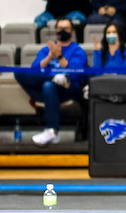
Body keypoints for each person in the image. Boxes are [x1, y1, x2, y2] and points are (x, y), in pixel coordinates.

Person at [17, 18, 88, 146]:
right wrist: (50, 56)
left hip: (69, 89)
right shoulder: (46, 50)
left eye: (66, 28)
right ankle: (56, 78)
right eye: (60, 28)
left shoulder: (78, 51)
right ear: (55, 31)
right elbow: (34, 71)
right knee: (19, 72)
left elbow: (75, 73)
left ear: (72, 32)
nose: (62, 31)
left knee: (50, 84)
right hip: (47, 88)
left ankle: (52, 130)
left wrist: (60, 56)